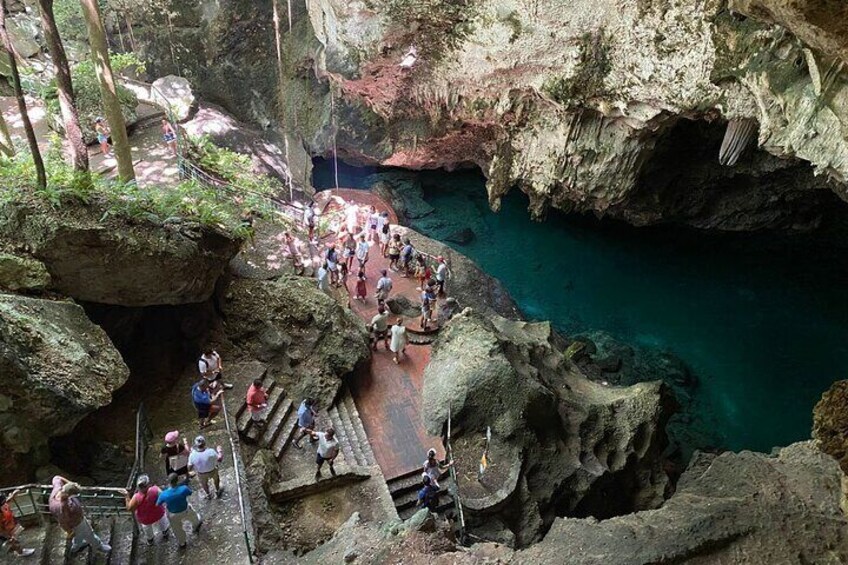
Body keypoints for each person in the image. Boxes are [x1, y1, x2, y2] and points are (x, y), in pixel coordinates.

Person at [49, 476, 111, 555]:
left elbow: (56, 478)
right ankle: (98, 545)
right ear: (69, 495)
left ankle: (76, 546)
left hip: (75, 521)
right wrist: (69, 531)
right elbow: (63, 521)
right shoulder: (64, 507)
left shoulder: (57, 489)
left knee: (78, 535)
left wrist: (70, 483)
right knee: (89, 534)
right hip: (76, 522)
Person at [156, 473, 202, 549]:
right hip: (185, 509)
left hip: (173, 514)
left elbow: (158, 504)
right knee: (193, 516)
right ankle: (196, 525)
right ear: (177, 480)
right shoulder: (183, 489)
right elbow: (190, 493)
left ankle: (182, 542)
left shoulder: (164, 494)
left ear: (169, 482)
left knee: (177, 528)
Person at [124, 475, 171, 545]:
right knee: (163, 523)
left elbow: (130, 508)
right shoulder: (155, 490)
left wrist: (127, 496)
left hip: (145, 518)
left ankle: (150, 540)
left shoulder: (136, 497)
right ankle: (165, 532)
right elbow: (164, 497)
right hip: (158, 513)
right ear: (148, 484)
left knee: (147, 529)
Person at [0, 489, 35, 557]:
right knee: (14, 542)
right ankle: (20, 552)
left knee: (15, 539)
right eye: (3, 502)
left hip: (11, 525)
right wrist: (7, 536)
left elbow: (7, 501)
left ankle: (13, 547)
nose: (5, 503)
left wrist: (13, 495)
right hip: (6, 531)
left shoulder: (3, 505)